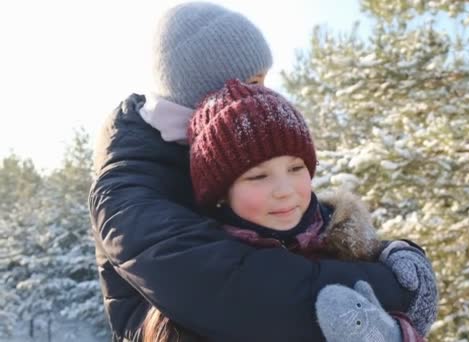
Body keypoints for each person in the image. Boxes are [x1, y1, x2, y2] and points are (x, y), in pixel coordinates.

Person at [89, 2, 436, 341]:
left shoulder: (201, 149)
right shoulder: (127, 186)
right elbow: (234, 289)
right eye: (255, 80)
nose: (265, 92)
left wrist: (386, 252)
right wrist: (393, 287)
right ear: (204, 88)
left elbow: (292, 241)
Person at [140, 79, 435, 342]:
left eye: (296, 168)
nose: (285, 190)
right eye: (258, 176)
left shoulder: (355, 250)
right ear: (222, 195)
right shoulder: (202, 289)